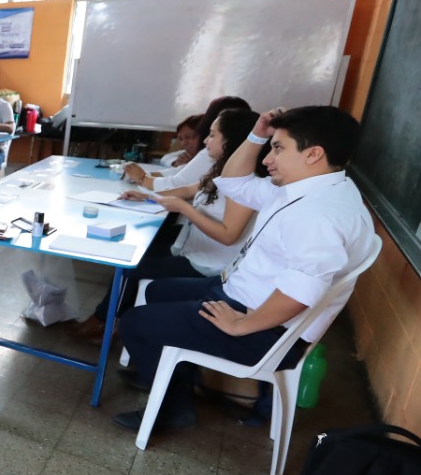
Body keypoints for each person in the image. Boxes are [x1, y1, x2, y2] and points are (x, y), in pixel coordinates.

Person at [113, 105, 373, 434]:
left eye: (278, 148)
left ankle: (172, 407)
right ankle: (170, 373)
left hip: (264, 327)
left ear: (313, 154)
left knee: (136, 323)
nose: (266, 158)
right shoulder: (312, 188)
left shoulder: (318, 215)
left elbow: (302, 291)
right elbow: (232, 182)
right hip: (240, 293)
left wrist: (241, 325)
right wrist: (256, 135)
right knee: (153, 291)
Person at [65, 108, 265, 342]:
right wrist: (149, 197)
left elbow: (229, 235)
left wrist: (184, 208)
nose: (206, 141)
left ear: (232, 141)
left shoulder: (246, 184)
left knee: (131, 268)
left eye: (212, 135)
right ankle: (114, 319)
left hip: (209, 266)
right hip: (193, 252)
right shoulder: (220, 169)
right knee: (138, 254)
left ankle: (102, 324)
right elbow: (190, 189)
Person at [123, 97, 251, 191]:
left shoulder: (213, 154)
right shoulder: (240, 154)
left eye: (212, 134)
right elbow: (182, 172)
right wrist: (145, 175)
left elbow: (178, 185)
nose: (206, 140)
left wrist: (142, 178)